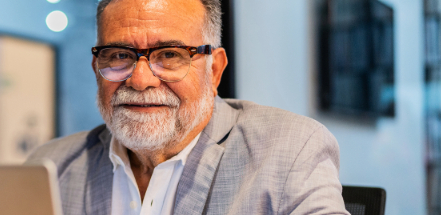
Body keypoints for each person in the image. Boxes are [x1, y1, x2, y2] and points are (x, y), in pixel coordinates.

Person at [26, 0, 349, 214]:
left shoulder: (287, 149)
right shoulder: (51, 165)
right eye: (120, 56)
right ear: (97, 67)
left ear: (214, 70)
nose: (140, 81)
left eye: (169, 55)